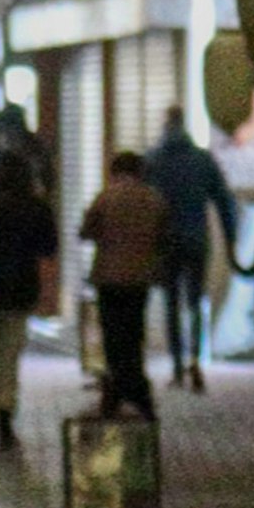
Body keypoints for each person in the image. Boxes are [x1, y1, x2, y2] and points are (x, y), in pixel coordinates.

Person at [0, 126, 55, 451]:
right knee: (10, 354)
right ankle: (3, 419)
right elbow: (49, 247)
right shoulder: (36, 207)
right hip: (22, 287)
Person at [142, 107, 238, 387]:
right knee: (195, 300)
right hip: (197, 237)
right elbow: (224, 202)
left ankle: (176, 367)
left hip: (166, 241)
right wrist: (231, 240)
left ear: (165, 124)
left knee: (171, 303)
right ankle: (196, 360)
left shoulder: (154, 160)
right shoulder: (202, 160)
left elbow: (143, 203)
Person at [80, 146, 170, 418]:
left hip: (108, 277)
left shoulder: (106, 197)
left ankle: (119, 388)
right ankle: (133, 389)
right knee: (133, 333)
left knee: (113, 335)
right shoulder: (154, 199)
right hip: (139, 278)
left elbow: (87, 231)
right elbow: (164, 235)